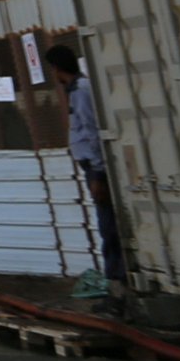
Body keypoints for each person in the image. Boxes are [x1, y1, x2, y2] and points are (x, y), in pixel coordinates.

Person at [43, 43, 122, 294]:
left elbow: (91, 130)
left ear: (56, 68)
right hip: (92, 167)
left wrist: (99, 172)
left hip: (97, 169)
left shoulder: (81, 91)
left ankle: (118, 283)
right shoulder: (77, 89)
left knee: (109, 225)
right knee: (106, 223)